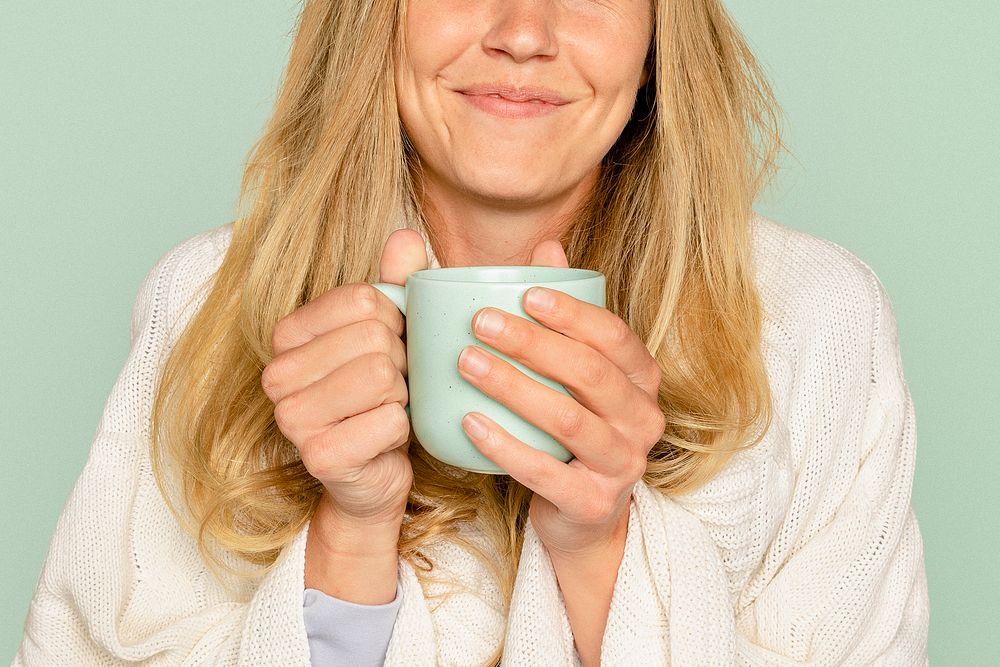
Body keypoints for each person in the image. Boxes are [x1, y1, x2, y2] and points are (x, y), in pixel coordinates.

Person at [14, 0, 930, 665]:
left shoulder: (817, 325)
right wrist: (351, 533)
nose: (523, 32)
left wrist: (600, 546)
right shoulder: (205, 307)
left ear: (658, 36)